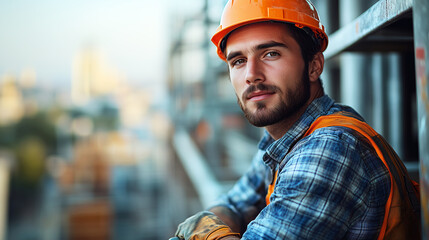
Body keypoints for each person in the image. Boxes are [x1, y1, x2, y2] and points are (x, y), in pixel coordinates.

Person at [171, 0, 421, 239]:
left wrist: (210, 231)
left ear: (314, 66)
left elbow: (221, 217)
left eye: (270, 54)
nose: (251, 75)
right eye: (238, 61)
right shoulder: (281, 137)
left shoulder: (329, 148)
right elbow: (234, 205)